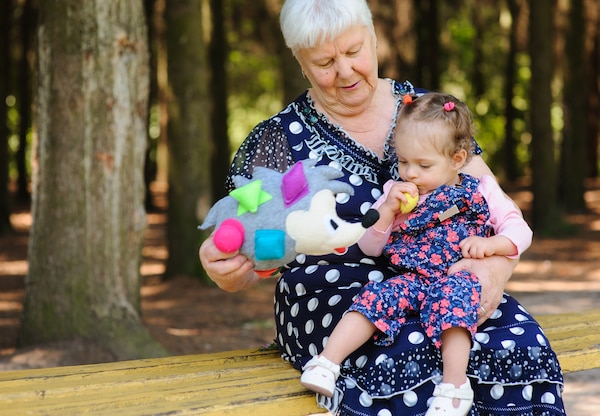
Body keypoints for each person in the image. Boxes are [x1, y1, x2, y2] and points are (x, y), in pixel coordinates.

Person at [198, 0, 566, 414]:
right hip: (330, 296)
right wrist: (226, 270)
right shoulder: (276, 142)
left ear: (374, 39)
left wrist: (494, 269)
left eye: (354, 51)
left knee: (516, 344)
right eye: (324, 61)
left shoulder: (429, 111)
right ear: (301, 63)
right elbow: (250, 242)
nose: (345, 71)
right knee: (404, 355)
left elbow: (493, 204)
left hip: (446, 279)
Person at [299, 92, 533, 416]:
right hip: (411, 278)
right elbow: (370, 246)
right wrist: (388, 211)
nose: (410, 173)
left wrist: (493, 246)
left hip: (456, 276)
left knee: (454, 305)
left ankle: (454, 387)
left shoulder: (480, 188)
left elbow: (520, 231)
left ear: (457, 159)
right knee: (374, 297)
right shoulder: (395, 194)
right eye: (404, 162)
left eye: (424, 165)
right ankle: (327, 362)